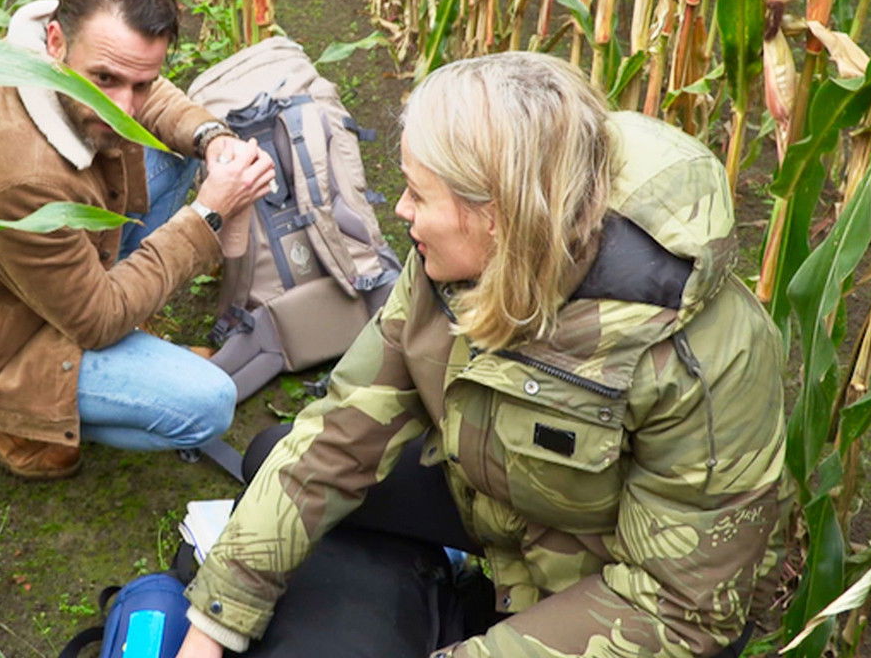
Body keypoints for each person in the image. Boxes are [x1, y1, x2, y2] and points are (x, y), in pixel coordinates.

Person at [176, 52, 793, 657]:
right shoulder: (450, 264)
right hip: (504, 497)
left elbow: (678, 608)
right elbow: (342, 433)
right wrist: (214, 620)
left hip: (630, 583)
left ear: (494, 215)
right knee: (270, 458)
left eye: (419, 194)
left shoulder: (699, 354)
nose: (401, 211)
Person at [0, 0, 276, 480]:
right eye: (104, 80)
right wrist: (208, 214)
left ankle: (125, 349)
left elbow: (151, 94)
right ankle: (17, 423)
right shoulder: (19, 176)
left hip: (43, 272)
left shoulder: (64, 57)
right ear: (55, 41)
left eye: (139, 83)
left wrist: (216, 140)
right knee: (207, 405)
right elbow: (95, 321)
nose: (124, 106)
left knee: (181, 145)